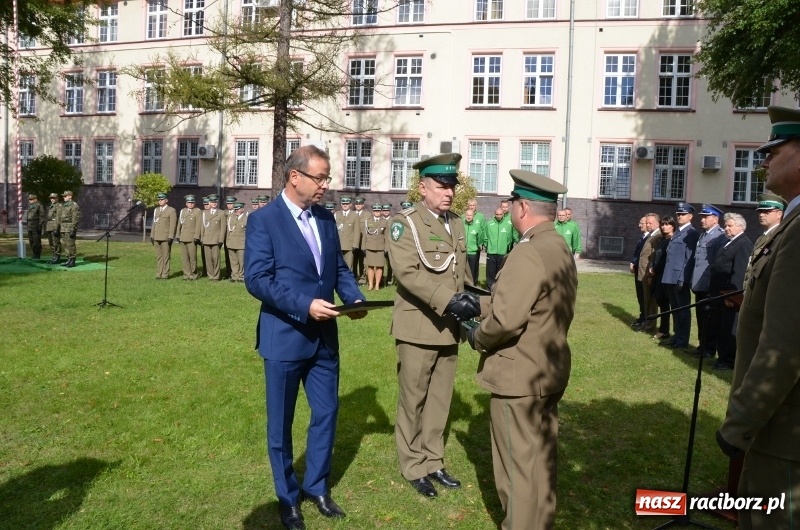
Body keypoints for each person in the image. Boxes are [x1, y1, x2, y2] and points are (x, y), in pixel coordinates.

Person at [244, 145, 365, 530]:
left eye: (327, 177)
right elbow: (257, 279)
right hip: (284, 338)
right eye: (320, 177)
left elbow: (338, 268)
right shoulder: (264, 220)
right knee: (280, 426)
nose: (325, 185)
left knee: (326, 413)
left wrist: (354, 297)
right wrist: (304, 305)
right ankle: (288, 498)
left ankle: (317, 487)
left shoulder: (325, 218)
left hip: (324, 338)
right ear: (295, 177)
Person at [465, 170, 577, 530]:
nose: (511, 208)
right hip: (548, 370)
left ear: (523, 207)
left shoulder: (527, 252)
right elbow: (533, 302)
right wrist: (478, 303)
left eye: (513, 202)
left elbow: (506, 321)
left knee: (517, 468)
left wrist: (477, 337)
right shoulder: (557, 245)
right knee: (540, 461)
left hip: (519, 376)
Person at [716, 105, 800, 529]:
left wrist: (741, 423)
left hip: (784, 432)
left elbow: (785, 344)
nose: (763, 161)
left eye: (774, 151)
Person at [386, 153, 479, 499]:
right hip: (418, 326)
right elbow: (408, 274)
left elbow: (462, 274)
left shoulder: (456, 223)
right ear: (423, 188)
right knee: (413, 399)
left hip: (449, 327)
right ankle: (413, 465)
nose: (449, 192)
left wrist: (472, 307)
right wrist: (451, 301)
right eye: (441, 186)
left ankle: (433, 459)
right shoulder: (405, 224)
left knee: (440, 399)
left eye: (451, 186)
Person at [708, 213, 752, 371]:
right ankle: (722, 357)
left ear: (740, 227)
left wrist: (732, 296)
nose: (726, 228)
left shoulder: (743, 244)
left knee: (729, 327)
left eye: (730, 225)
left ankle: (728, 360)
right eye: (725, 225)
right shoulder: (730, 242)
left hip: (729, 295)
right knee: (722, 327)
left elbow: (739, 272)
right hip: (720, 293)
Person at [660, 202, 698, 349]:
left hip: (679, 277)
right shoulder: (678, 232)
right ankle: (676, 335)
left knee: (682, 309)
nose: (679, 216)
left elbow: (689, 259)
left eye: (683, 214)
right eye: (678, 214)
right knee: (675, 308)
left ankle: (683, 339)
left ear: (690, 216)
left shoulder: (691, 233)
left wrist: (683, 278)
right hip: (670, 276)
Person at [690, 204, 726, 358]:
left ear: (716, 219)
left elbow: (717, 263)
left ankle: (709, 349)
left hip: (709, 284)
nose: (702, 220)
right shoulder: (704, 235)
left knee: (710, 318)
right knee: (701, 316)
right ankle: (702, 345)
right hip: (699, 283)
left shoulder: (720, 236)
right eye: (702, 217)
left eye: (706, 217)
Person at [649, 216, 676, 340]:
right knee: (660, 301)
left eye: (667, 224)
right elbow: (656, 256)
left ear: (673, 226)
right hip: (658, 275)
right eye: (662, 224)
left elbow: (665, 259)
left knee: (664, 303)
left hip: (664, 275)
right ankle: (663, 329)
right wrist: (652, 266)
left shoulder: (672, 240)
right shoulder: (663, 239)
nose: (664, 227)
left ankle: (664, 331)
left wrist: (655, 269)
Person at [639, 213, 661, 333]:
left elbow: (654, 256)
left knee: (651, 301)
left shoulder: (657, 236)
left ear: (657, 223)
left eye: (650, 223)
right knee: (646, 300)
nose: (647, 225)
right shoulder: (651, 235)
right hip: (644, 273)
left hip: (649, 274)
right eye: (646, 223)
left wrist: (650, 274)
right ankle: (647, 322)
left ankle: (650, 325)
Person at [485, 206, 514, 290]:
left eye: (500, 214)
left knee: (500, 272)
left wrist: (506, 247)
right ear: (494, 214)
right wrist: (487, 246)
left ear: (503, 214)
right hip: (491, 252)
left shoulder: (508, 225)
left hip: (502, 252)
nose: (498, 216)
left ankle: (498, 289)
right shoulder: (489, 224)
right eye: (497, 214)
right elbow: (485, 237)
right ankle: (489, 290)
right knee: (490, 272)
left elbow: (509, 238)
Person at [150, 192, 177, 280]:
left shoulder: (171, 210)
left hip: (165, 237)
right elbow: (154, 223)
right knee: (159, 256)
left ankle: (165, 274)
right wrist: (152, 235)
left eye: (162, 199)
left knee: (166, 256)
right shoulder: (156, 210)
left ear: (166, 200)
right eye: (159, 200)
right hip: (157, 236)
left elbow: (173, 225)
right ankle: (159, 273)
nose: (160, 201)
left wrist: (171, 236)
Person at [200, 194, 226, 281]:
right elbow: (202, 227)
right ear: (209, 203)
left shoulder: (221, 213)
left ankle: (216, 276)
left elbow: (223, 228)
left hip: (216, 239)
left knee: (216, 258)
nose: (214, 203)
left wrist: (221, 240)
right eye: (212, 202)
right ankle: (210, 275)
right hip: (206, 239)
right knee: (208, 259)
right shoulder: (204, 213)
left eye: (215, 202)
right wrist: (202, 238)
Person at [629, 216, 649, 329]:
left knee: (644, 296)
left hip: (643, 271)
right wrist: (633, 262)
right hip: (637, 270)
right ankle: (642, 316)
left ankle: (645, 318)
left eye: (642, 223)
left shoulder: (649, 238)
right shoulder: (643, 237)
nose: (639, 225)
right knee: (640, 295)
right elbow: (637, 253)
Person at [176, 195, 201, 280]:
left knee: (192, 257)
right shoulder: (183, 211)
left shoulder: (197, 211)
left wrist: (197, 236)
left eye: (192, 202)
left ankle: (193, 273)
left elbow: (198, 225)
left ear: (194, 203)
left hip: (192, 237)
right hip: (183, 237)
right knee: (184, 257)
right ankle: (186, 274)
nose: (190, 204)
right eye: (189, 202)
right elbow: (179, 223)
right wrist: (177, 235)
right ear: (186, 203)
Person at [362, 203, 387, 290]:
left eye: (378, 211)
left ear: (381, 212)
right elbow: (364, 235)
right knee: (370, 266)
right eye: (375, 211)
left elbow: (387, 236)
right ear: (372, 212)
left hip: (380, 247)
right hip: (370, 247)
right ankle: (370, 284)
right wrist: (363, 247)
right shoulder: (367, 221)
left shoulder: (385, 222)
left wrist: (386, 248)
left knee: (380, 266)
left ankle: (377, 285)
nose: (377, 212)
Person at [334, 196, 359, 271]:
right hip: (338, 244)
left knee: (348, 265)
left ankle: (348, 278)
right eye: (343, 203)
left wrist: (355, 244)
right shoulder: (336, 214)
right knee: (338, 264)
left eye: (347, 204)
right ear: (341, 204)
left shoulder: (355, 215)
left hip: (349, 245)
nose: (345, 205)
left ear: (350, 204)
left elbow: (357, 231)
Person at [59, 190, 81, 268]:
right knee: (65, 244)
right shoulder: (64, 206)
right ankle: (68, 258)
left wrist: (73, 229)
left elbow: (75, 218)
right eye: (63, 196)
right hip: (63, 227)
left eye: (65, 196)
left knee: (71, 244)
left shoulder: (74, 206)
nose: (64, 197)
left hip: (69, 227)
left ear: (70, 196)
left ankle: (72, 260)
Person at [226, 201, 247, 282]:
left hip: (241, 243)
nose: (236, 211)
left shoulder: (246, 219)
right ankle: (235, 276)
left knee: (241, 262)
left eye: (238, 209)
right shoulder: (231, 218)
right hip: (231, 243)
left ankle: (241, 276)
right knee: (233, 261)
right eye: (235, 210)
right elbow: (229, 231)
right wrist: (228, 242)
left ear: (242, 209)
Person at [464, 208, 485, 284]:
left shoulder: (477, 226)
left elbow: (480, 238)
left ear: (473, 216)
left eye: (470, 215)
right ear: (465, 216)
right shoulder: (461, 225)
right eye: (467, 215)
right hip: (463, 252)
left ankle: (472, 285)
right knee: (463, 271)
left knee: (472, 271)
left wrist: (479, 246)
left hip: (473, 252)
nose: (469, 217)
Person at [45, 192, 62, 264]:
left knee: (56, 242)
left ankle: (57, 257)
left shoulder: (59, 206)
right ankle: (54, 256)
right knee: (51, 242)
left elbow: (58, 218)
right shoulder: (51, 206)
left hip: (55, 226)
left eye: (53, 198)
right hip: (49, 226)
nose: (52, 199)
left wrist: (56, 228)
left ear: (57, 198)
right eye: (51, 198)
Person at [26, 194, 44, 260]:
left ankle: (37, 254)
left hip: (36, 225)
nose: (30, 201)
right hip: (30, 226)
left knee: (36, 241)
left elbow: (42, 216)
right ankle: (34, 253)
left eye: (31, 199)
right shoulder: (30, 207)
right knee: (31, 241)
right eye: (29, 199)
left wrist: (40, 225)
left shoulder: (39, 206)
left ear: (35, 199)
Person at [352, 197, 366, 284]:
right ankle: (353, 276)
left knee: (362, 261)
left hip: (362, 241)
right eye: (356, 204)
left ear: (363, 205)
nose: (358, 205)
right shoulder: (352, 214)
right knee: (353, 260)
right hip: (353, 241)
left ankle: (362, 277)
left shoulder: (367, 215)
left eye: (360, 204)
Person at [223, 196, 237, 280]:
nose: (229, 205)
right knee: (227, 256)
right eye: (228, 204)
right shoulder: (224, 213)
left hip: (234, 237)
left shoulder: (236, 213)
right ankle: (228, 272)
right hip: (226, 237)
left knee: (234, 257)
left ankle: (234, 272)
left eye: (231, 203)